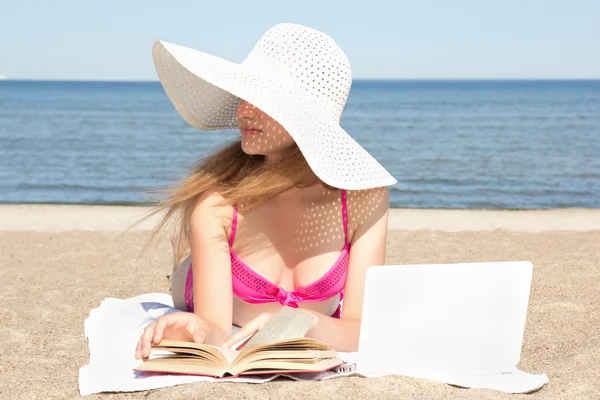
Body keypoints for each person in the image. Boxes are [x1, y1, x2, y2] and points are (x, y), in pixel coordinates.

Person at [135, 23, 397, 359]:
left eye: (262, 99)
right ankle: (183, 254)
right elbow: (216, 329)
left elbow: (361, 329)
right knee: (188, 268)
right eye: (245, 96)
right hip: (197, 283)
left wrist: (304, 322)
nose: (243, 110)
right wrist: (195, 329)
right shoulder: (217, 206)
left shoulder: (364, 197)